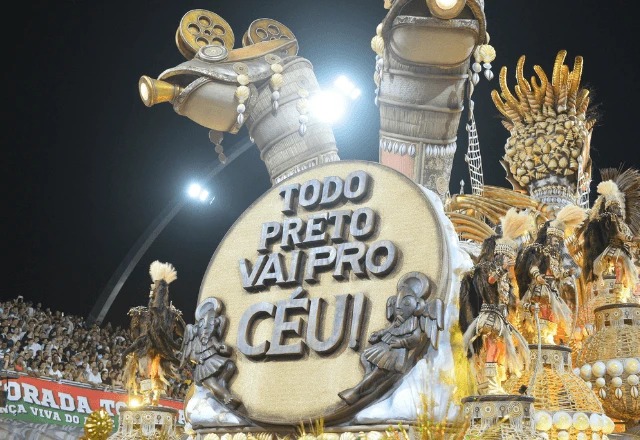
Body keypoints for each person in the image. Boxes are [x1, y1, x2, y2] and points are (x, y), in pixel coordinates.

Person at [338, 272, 443, 405]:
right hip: (386, 345)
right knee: (364, 357)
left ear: (416, 305)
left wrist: (401, 342)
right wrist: (379, 334)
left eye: (405, 303)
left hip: (396, 352)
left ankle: (356, 392)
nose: (398, 309)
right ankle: (368, 382)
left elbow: (416, 338)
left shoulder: (413, 322)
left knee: (379, 371)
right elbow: (389, 329)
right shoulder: (398, 321)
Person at [459, 208, 531, 395]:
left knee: (498, 348)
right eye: (508, 257)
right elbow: (490, 280)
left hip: (500, 316)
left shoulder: (503, 274)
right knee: (492, 346)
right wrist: (502, 268)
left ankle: (494, 382)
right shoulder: (487, 268)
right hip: (490, 315)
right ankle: (490, 383)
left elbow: (508, 297)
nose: (510, 261)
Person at [515, 203, 587, 344]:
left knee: (552, 314)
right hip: (540, 288)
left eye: (559, 242)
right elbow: (533, 266)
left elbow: (558, 274)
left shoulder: (556, 257)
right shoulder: (540, 251)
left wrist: (567, 273)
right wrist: (538, 276)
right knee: (542, 311)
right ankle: (541, 337)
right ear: (549, 239)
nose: (556, 244)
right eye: (555, 240)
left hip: (553, 290)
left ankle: (548, 337)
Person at [582, 169, 640, 302]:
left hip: (623, 250)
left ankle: (620, 289)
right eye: (615, 207)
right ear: (609, 208)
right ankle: (617, 288)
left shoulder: (621, 223)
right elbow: (618, 234)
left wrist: (634, 242)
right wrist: (632, 239)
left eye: (618, 207)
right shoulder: (610, 219)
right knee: (619, 264)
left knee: (624, 268)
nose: (617, 209)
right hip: (614, 249)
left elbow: (625, 237)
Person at [180, 297, 241, 409]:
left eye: (210, 325)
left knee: (230, 366)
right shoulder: (196, 339)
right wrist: (198, 359)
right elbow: (192, 356)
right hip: (203, 364)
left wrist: (222, 347)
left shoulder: (212, 338)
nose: (206, 329)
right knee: (210, 381)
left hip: (213, 359)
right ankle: (226, 396)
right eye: (204, 325)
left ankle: (222, 385)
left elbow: (220, 347)